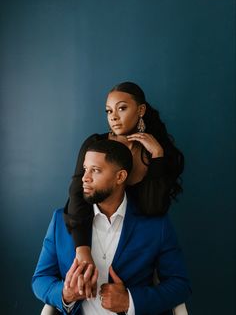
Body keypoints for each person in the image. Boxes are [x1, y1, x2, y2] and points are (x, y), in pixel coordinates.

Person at [32, 140, 191, 314]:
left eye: (96, 170)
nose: (85, 177)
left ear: (120, 177)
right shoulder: (59, 222)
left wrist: (129, 300)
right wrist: (65, 294)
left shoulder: (156, 225)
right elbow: (40, 279)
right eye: (85, 169)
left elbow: (180, 285)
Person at [64, 82, 184, 268]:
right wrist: (82, 248)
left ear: (141, 110)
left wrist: (158, 157)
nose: (114, 117)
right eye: (109, 111)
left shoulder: (154, 152)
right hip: (94, 233)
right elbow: (77, 194)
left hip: (139, 244)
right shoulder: (95, 144)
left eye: (122, 108)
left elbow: (154, 208)